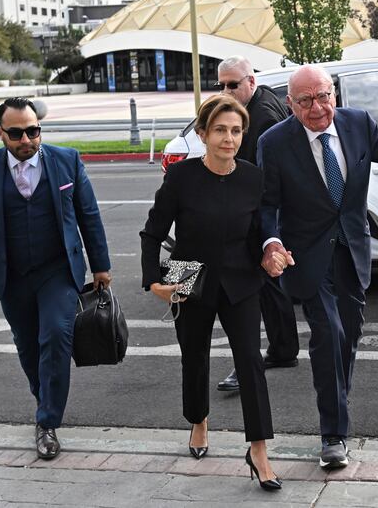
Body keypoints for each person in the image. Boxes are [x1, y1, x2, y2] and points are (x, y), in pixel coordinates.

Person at [257, 65, 378, 469]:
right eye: (305, 101)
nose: (317, 108)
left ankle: (335, 396)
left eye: (323, 96)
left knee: (349, 333)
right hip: (304, 256)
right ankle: (333, 434)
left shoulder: (358, 124)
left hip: (353, 250)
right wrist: (271, 242)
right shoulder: (275, 142)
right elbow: (266, 205)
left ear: (334, 94)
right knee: (328, 331)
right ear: (290, 104)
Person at [0, 97, 111, 460]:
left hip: (57, 270)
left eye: (33, 130)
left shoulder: (66, 160)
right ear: (0, 133)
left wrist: (101, 265)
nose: (26, 139)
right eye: (16, 133)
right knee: (28, 347)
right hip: (10, 275)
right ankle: (46, 400)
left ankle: (47, 422)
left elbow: (88, 214)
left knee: (56, 335)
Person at [140, 95, 281, 490]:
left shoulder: (253, 177)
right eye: (220, 130)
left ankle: (258, 451)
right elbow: (152, 234)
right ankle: (198, 422)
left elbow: (261, 232)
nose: (229, 138)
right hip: (188, 276)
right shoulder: (181, 177)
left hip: (241, 278)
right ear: (202, 134)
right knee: (194, 357)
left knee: (251, 362)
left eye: (236, 131)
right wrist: (154, 281)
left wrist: (272, 251)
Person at [213, 56, 299, 393]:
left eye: (232, 84)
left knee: (253, 287)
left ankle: (255, 360)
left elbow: (259, 174)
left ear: (251, 81)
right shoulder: (260, 105)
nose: (226, 91)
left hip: (259, 211)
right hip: (263, 211)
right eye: (221, 84)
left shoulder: (261, 116)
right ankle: (281, 349)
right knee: (268, 284)